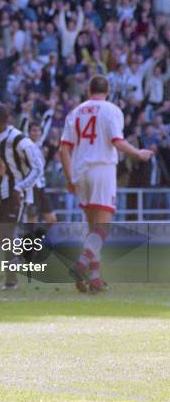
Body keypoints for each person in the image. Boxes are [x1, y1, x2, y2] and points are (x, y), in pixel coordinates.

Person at [60, 75, 153, 294]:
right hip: (102, 169)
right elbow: (116, 141)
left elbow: (63, 149)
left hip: (80, 170)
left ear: (88, 90)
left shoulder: (76, 112)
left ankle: (94, 279)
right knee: (103, 227)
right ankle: (81, 264)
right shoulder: (111, 110)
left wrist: (69, 178)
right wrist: (138, 153)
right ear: (107, 91)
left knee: (93, 228)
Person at [0, 104, 43, 289]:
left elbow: (38, 166)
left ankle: (11, 280)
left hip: (14, 195)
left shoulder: (19, 140)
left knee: (7, 235)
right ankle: (21, 256)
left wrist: (20, 187)